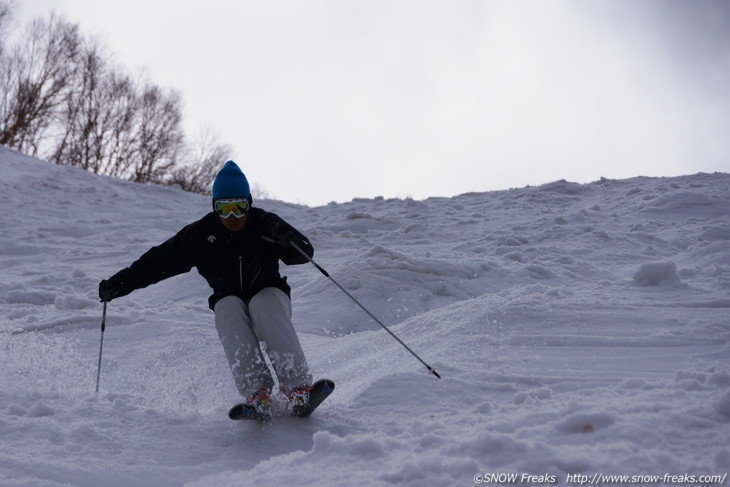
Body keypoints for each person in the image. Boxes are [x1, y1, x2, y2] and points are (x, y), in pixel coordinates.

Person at [98, 160, 314, 416]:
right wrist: (119, 284)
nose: (233, 216)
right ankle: (257, 391)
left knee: (263, 305)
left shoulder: (265, 224)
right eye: (225, 209)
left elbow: (305, 253)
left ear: (249, 203)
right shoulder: (200, 235)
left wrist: (287, 240)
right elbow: (156, 263)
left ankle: (296, 387)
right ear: (215, 208)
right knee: (227, 309)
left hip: (270, 292)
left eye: (239, 207)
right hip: (228, 299)